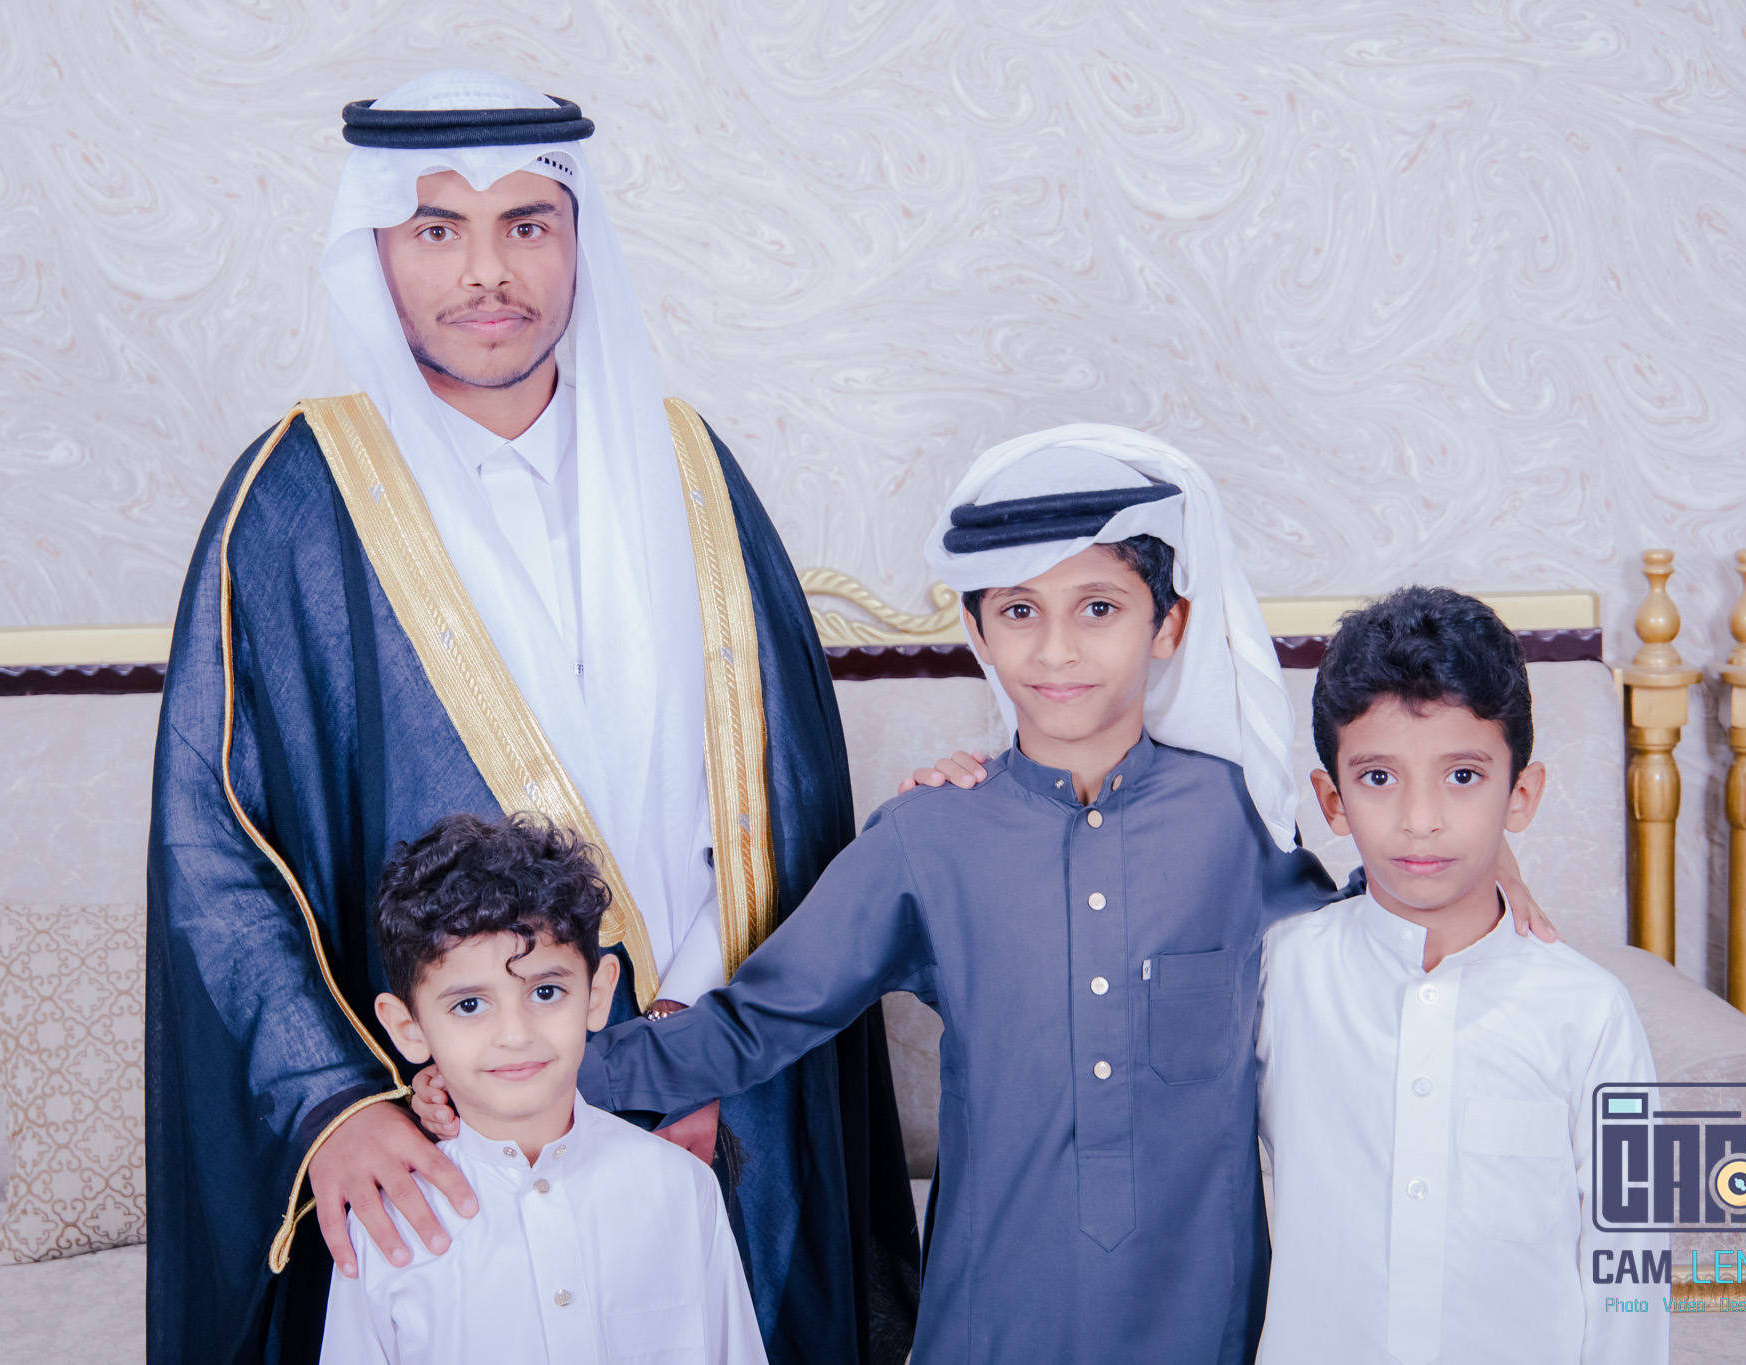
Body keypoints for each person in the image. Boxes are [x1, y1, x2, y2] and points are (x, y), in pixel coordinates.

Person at [147, 68, 917, 1365]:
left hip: (717, 1093)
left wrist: (694, 1057)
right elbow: (215, 848)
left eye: (526, 224)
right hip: (439, 1123)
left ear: (577, 238)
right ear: (375, 249)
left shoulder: (688, 467)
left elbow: (777, 806)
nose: (485, 272)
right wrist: (331, 1101)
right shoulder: (297, 494)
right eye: (436, 228)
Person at [569, 428, 1551, 1363]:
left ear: (1168, 624)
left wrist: (1477, 864)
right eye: (1018, 612)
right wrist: (549, 1069)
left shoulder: (1234, 819)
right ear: (974, 630)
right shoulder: (927, 835)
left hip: (1207, 1324)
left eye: (1098, 608)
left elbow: (1362, 956)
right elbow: (760, 1019)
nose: (1055, 652)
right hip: (991, 1321)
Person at [1254, 586, 1667, 1364]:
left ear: (1522, 793)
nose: (1421, 818)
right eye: (1379, 778)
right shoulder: (1282, 978)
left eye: (1464, 776)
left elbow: (1633, 1259)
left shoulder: (1590, 1012)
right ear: (1331, 799)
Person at [319, 812, 766, 1365]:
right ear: (408, 1028)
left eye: (546, 992)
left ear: (597, 994)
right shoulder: (387, 1228)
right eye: (469, 1005)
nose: (515, 1034)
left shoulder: (682, 1189)